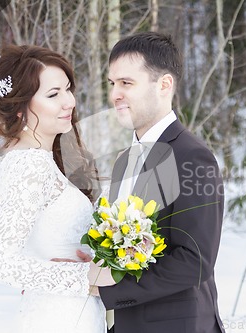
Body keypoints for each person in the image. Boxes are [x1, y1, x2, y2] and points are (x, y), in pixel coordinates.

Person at [92, 32, 226, 333]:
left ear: (164, 85)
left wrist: (110, 290)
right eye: (112, 83)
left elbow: (196, 260)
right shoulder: (125, 160)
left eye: (127, 83)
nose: (115, 94)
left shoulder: (192, 156)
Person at [0, 44, 111, 333]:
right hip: (57, 318)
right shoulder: (29, 165)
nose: (69, 102)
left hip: (74, 312)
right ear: (19, 108)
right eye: (53, 95)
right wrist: (86, 276)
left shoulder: (45, 159)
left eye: (68, 89)